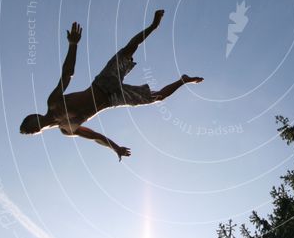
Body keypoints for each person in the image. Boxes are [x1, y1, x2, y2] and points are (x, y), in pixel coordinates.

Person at [19, 10, 203, 160]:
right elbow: (96, 137)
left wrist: (73, 45)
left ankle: (153, 25)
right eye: (29, 133)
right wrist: (115, 148)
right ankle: (184, 80)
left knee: (128, 50)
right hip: (113, 99)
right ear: (37, 133)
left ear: (34, 116)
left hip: (103, 82)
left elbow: (67, 74)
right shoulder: (66, 130)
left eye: (27, 126)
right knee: (157, 97)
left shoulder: (53, 103)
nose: (29, 131)